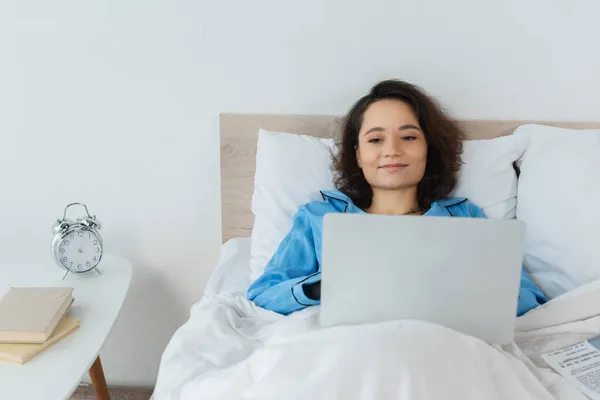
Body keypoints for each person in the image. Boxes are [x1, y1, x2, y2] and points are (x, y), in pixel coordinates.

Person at [247, 79, 547, 317]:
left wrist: (470, 292)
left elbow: (530, 301)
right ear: (358, 155)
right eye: (375, 139)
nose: (392, 150)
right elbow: (263, 295)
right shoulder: (320, 217)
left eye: (409, 137)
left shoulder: (465, 217)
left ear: (428, 149)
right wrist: (323, 288)